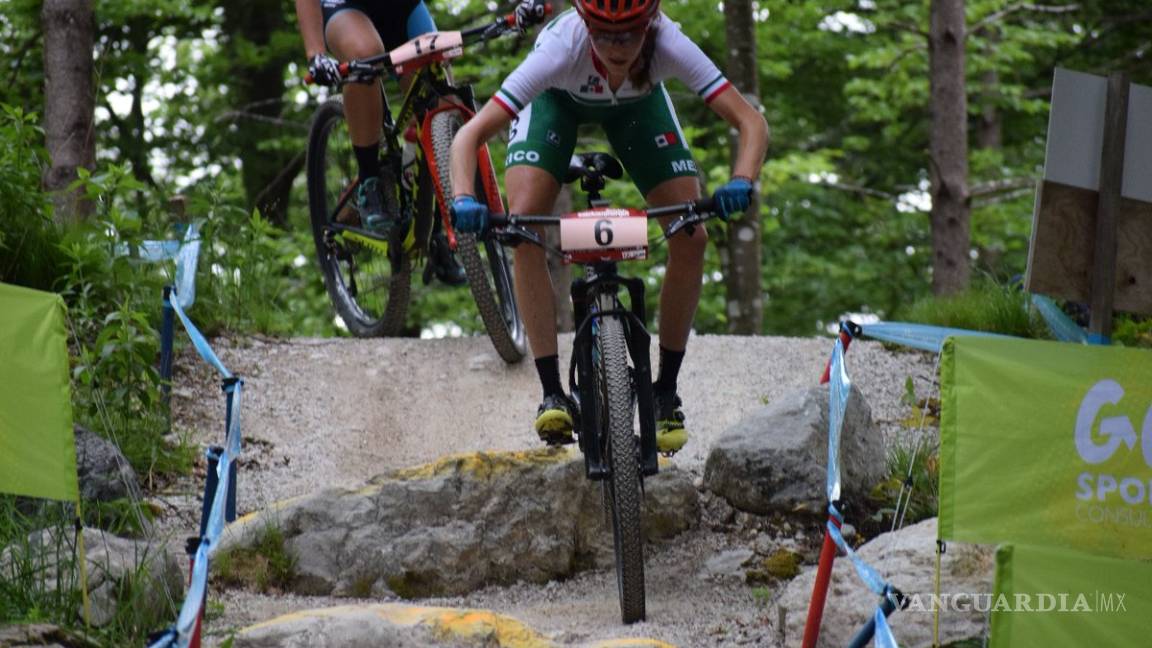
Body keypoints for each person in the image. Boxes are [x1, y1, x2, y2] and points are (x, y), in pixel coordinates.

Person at [448, 0, 768, 454]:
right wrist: (464, 197)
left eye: (629, 35)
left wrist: (741, 180)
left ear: (648, 26)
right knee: (524, 229)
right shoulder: (560, 48)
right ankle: (551, 393)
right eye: (604, 35)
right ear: (585, 25)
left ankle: (665, 392)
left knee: (692, 235)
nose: (617, 47)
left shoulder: (667, 40)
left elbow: (750, 121)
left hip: (638, 105)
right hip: (555, 102)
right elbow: (468, 135)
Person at [295, 0, 547, 283]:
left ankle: (440, 227)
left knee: (444, 99)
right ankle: (370, 181)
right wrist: (315, 53)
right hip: (345, 8)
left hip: (404, 9)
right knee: (364, 53)